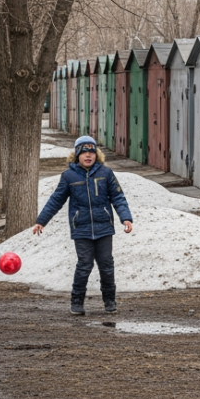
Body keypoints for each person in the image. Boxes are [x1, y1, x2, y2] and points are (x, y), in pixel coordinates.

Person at [33, 135, 133, 315]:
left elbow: (118, 197)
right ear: (77, 154)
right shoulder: (68, 176)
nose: (88, 155)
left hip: (104, 228)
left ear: (97, 154)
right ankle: (77, 302)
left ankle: (110, 301)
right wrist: (41, 221)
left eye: (92, 152)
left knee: (106, 265)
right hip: (81, 228)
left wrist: (125, 217)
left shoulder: (106, 173)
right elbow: (55, 200)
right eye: (84, 152)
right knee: (84, 265)